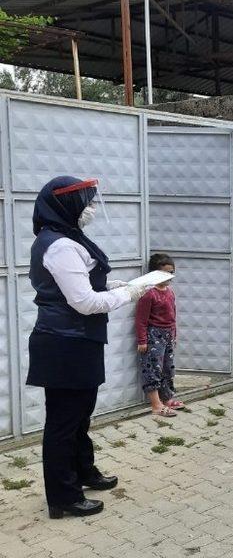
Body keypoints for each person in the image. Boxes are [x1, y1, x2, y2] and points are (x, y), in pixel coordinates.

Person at [27, 176, 147, 519]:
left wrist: (113, 284)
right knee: (64, 421)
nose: (91, 208)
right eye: (87, 202)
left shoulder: (66, 239)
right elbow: (83, 302)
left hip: (77, 340)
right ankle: (63, 496)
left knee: (81, 414)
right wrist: (129, 294)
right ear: (66, 205)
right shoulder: (60, 245)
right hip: (65, 342)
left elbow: (78, 283)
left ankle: (83, 472)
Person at [136, 253, 183, 417]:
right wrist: (142, 340)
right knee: (153, 369)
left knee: (167, 368)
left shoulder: (169, 292)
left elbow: (173, 315)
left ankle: (167, 399)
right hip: (154, 336)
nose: (169, 276)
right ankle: (156, 405)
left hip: (168, 335)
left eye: (171, 272)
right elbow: (141, 319)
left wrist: (174, 335)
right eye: (165, 273)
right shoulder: (149, 294)